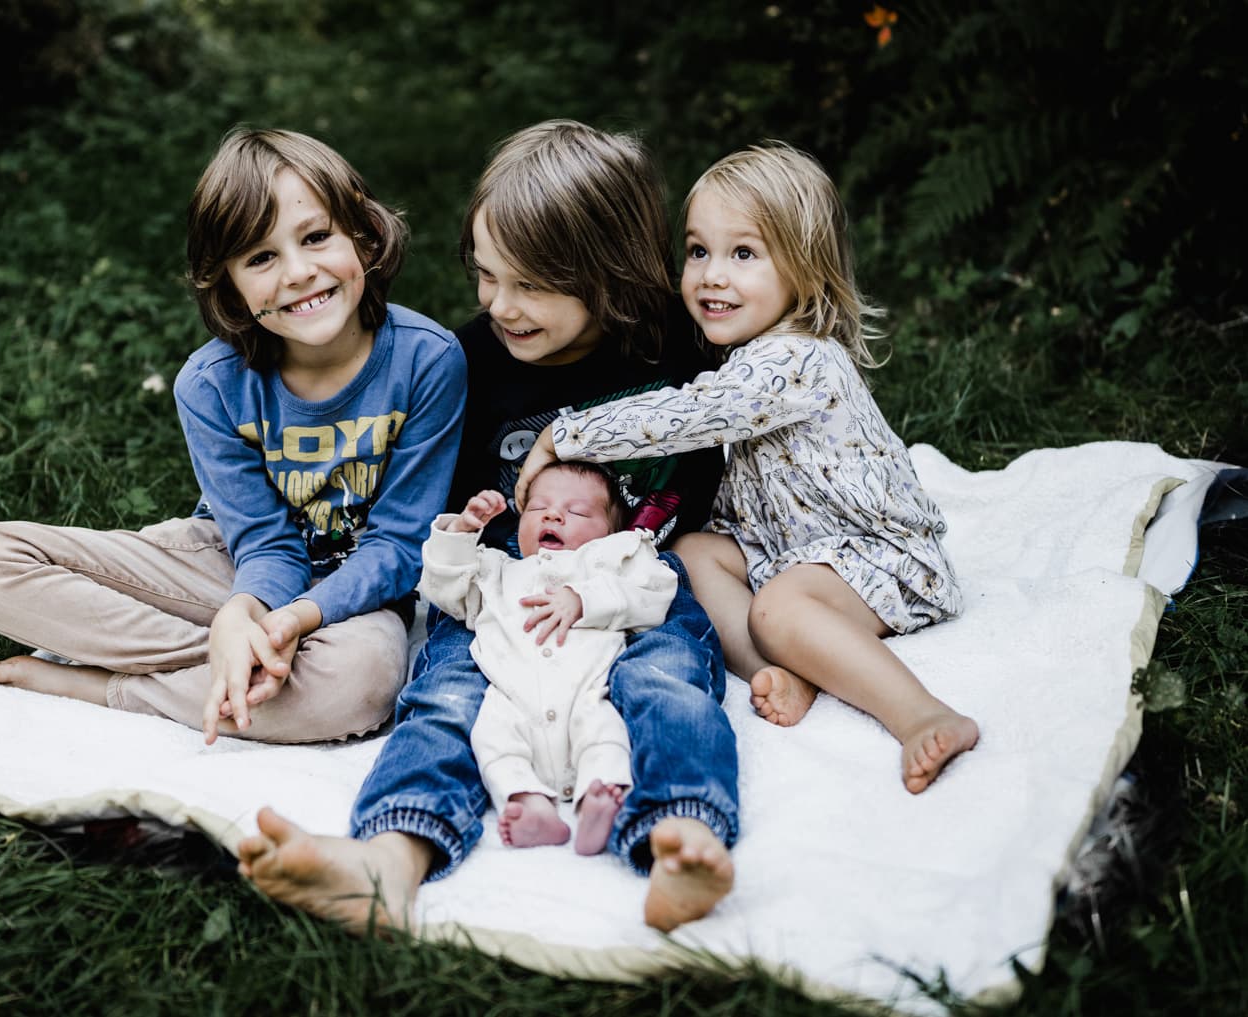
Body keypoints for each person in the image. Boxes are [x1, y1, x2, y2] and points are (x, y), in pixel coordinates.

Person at [237, 119, 737, 934]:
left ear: (607, 274)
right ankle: (389, 857)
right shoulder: (467, 363)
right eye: (485, 275)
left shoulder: (680, 351)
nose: (498, 304)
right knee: (443, 697)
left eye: (528, 285)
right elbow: (428, 517)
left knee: (667, 680)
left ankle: (682, 829)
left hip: (634, 579)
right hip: (504, 593)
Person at [0, 128, 467, 744]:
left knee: (359, 685)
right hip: (229, 563)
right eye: (261, 257)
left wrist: (295, 618)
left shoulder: (428, 361)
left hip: (357, 594)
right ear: (232, 289)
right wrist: (240, 615)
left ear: (365, 234)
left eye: (317, 236)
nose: (299, 272)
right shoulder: (212, 384)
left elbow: (399, 547)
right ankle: (238, 661)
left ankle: (108, 687)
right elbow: (262, 543)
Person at [518, 142, 978, 794]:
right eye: (698, 250)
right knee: (694, 556)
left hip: (879, 556)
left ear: (803, 269)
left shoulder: (796, 358)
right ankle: (789, 667)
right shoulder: (748, 353)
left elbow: (693, 414)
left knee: (779, 608)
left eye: (743, 253)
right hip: (792, 546)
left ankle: (921, 713)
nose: (710, 274)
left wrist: (570, 434)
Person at [424, 463, 676, 856]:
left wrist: (585, 600)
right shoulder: (498, 570)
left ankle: (603, 794)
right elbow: (445, 589)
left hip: (588, 690)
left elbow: (655, 592)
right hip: (510, 696)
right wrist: (463, 531)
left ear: (610, 533)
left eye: (576, 512)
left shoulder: (609, 563)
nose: (553, 515)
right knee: (491, 738)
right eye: (537, 508)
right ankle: (528, 804)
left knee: (606, 733)